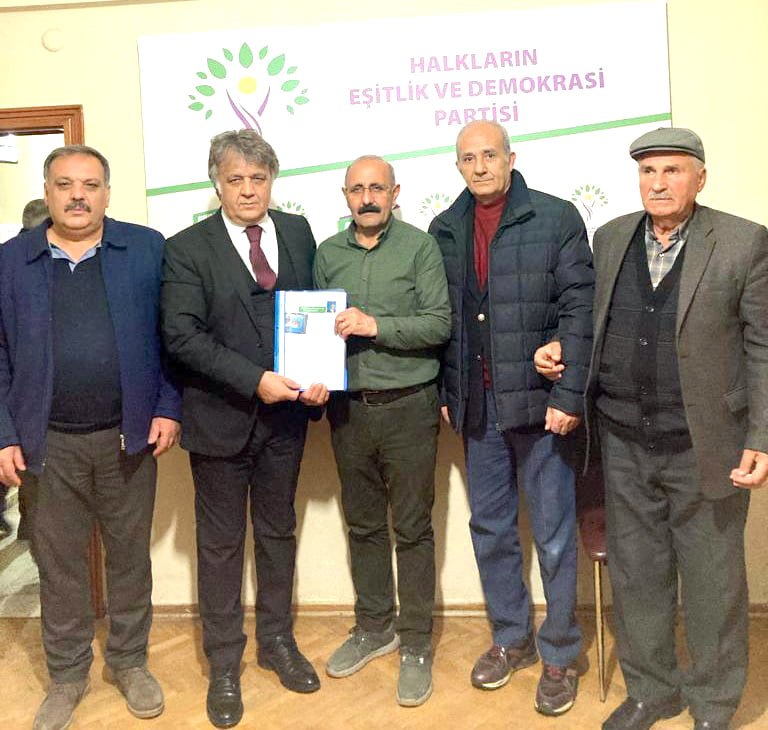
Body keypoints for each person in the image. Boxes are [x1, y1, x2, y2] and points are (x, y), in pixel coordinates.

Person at [537, 127, 768, 730]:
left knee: (714, 583)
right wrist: (563, 348)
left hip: (706, 446)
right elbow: (593, 321)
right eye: (647, 171)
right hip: (622, 442)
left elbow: (764, 347)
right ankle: (652, 690)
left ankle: (713, 704)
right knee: (637, 577)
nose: (658, 183)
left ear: (700, 177)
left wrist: (761, 437)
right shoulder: (612, 237)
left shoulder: (743, 242)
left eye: (672, 170)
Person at [0, 144, 181, 730]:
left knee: (129, 559)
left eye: (90, 185)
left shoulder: (145, 249)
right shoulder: (10, 261)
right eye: (65, 184)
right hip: (46, 446)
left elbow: (173, 336)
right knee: (59, 567)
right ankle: (68, 674)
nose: (78, 196)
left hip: (128, 440)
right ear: (47, 192)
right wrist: (3, 434)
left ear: (106, 192)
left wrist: (168, 407)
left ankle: (129, 662)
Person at [161, 129, 328, 729]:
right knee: (221, 546)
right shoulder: (186, 248)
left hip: (287, 420)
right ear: (217, 183)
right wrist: (254, 379)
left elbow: (315, 313)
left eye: (258, 178)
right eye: (235, 179)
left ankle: (277, 642)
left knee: (278, 535)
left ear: (271, 180)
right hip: (219, 421)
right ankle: (225, 663)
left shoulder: (299, 232)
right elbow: (182, 337)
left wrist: (320, 376)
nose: (248, 190)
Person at [429, 120, 594, 716]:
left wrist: (568, 396)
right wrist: (449, 390)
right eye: (468, 158)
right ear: (458, 166)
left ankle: (560, 652)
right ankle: (511, 637)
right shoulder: (445, 228)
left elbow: (579, 311)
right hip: (479, 409)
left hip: (541, 406)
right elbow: (444, 320)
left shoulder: (555, 217)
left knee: (553, 535)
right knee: (492, 530)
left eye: (489, 155)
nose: (479, 167)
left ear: (510, 158)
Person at [314, 155, 450, 707]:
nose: (367, 198)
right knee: (364, 524)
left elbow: (438, 323)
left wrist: (375, 326)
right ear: (345, 195)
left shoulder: (420, 247)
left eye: (377, 188)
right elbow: (312, 331)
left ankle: (415, 642)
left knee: (412, 529)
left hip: (409, 407)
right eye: (357, 189)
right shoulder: (327, 253)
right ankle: (374, 627)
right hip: (348, 410)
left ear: (395, 193)